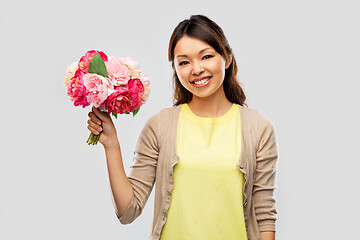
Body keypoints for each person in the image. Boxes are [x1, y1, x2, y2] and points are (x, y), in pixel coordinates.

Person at [87, 15, 278, 240]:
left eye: (206, 56)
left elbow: (264, 213)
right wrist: (111, 145)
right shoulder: (160, 126)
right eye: (184, 62)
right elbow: (128, 211)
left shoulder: (258, 127)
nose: (196, 69)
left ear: (227, 58)